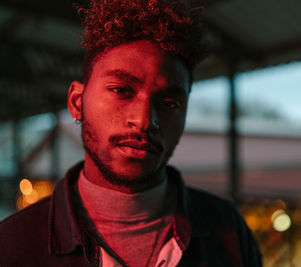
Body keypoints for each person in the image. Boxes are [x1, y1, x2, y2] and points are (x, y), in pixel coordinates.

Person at [0, 0, 262, 266]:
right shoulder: (13, 245)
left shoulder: (229, 233)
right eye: (121, 90)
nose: (145, 120)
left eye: (169, 104)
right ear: (77, 102)